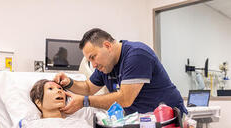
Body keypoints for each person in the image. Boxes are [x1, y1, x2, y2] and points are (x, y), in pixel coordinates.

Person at [54, 28, 187, 116]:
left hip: (169, 119)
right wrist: (70, 82)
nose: (94, 65)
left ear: (107, 46)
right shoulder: (106, 66)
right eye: (90, 60)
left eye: (93, 57)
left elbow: (125, 99)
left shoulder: (137, 55)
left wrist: (85, 102)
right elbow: (88, 88)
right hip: (145, 121)